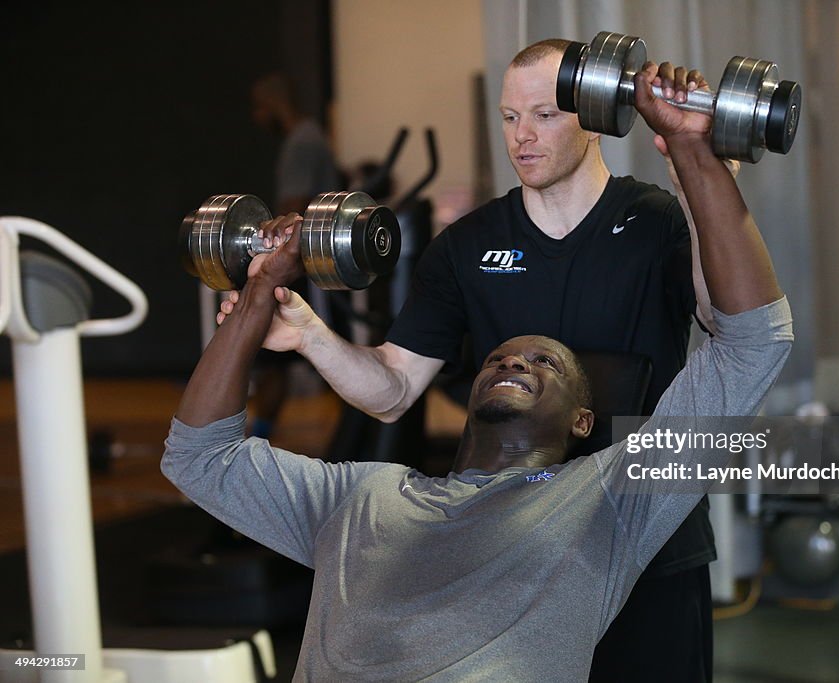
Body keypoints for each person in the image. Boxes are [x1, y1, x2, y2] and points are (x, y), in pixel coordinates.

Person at [171, 57, 793, 680]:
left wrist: (697, 173)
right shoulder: (465, 247)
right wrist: (307, 334)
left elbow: (732, 329)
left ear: (596, 117)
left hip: (634, 522)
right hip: (495, 526)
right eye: (510, 117)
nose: (522, 134)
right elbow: (391, 392)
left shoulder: (659, 219)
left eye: (545, 115)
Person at [248, 72, 340, 439]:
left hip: (302, 264)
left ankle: (256, 439)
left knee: (271, 357)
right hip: (318, 261)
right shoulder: (312, 136)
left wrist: (268, 259)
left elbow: (290, 212)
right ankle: (260, 434)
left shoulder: (300, 143)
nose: (256, 117)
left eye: (258, 107)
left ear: (273, 104)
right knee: (279, 361)